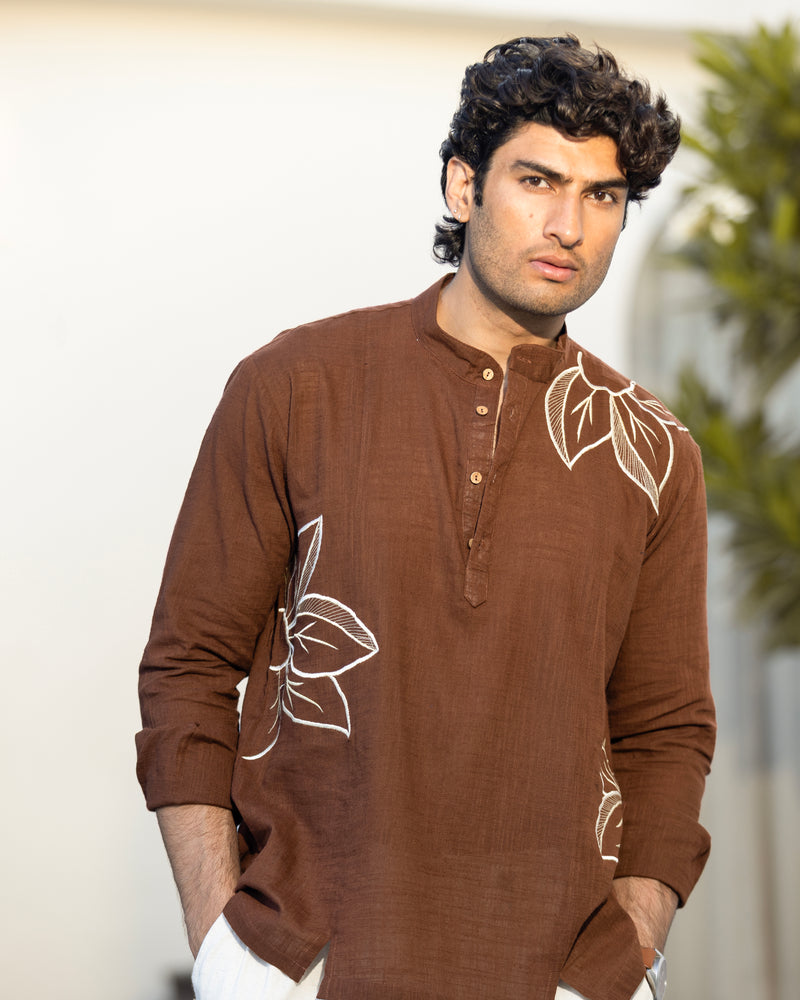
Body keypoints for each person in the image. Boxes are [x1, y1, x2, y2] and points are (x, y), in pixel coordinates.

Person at [136, 35, 715, 1000]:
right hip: (307, 962)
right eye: (537, 180)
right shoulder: (296, 388)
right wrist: (220, 947)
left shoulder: (653, 451)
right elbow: (189, 666)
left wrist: (627, 954)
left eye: (603, 196)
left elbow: (666, 730)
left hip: (557, 974)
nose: (567, 225)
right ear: (463, 185)